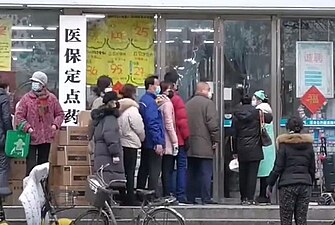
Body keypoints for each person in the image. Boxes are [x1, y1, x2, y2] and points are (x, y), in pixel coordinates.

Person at [267, 116, 315, 225]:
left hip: (287, 185)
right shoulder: (309, 146)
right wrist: (310, 182)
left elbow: (278, 167)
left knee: (286, 219)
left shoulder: (284, 145)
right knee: (302, 219)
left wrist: (270, 183)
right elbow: (312, 168)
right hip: (305, 185)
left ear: (288, 128)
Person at [15, 71, 64, 176]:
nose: (34, 84)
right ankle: (30, 189)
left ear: (43, 84)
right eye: (33, 82)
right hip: (31, 138)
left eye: (36, 82)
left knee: (43, 166)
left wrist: (55, 125)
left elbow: (60, 114)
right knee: (31, 167)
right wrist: (28, 128)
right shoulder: (26, 99)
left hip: (46, 138)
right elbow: (19, 117)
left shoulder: (51, 98)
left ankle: (43, 189)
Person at [232, 94, 272, 205]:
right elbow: (270, 118)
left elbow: (233, 134)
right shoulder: (257, 113)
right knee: (252, 175)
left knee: (242, 174)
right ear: (251, 102)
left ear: (241, 102)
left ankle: (243, 197)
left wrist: (234, 151)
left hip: (241, 148)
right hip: (255, 148)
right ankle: (250, 198)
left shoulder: (236, 114)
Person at [186, 82, 219, 204]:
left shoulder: (188, 104)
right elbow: (213, 124)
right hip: (205, 144)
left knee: (191, 172)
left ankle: (190, 197)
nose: (210, 92)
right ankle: (205, 197)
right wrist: (215, 140)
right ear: (202, 90)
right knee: (205, 172)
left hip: (190, 144)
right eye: (208, 89)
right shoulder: (208, 104)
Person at [164, 70, 190, 203]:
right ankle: (180, 195)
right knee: (181, 167)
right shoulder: (177, 100)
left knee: (167, 169)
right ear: (174, 84)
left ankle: (167, 193)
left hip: (166, 141)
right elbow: (182, 122)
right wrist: (187, 138)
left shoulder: (161, 99)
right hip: (178, 140)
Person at [137, 75, 165, 196]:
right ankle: (152, 196)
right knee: (154, 170)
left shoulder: (144, 100)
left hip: (146, 141)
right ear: (150, 86)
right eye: (156, 84)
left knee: (144, 168)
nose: (158, 87)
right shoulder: (150, 102)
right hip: (152, 142)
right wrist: (158, 141)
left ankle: (140, 193)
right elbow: (152, 122)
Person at [118, 84, 145, 205]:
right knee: (130, 172)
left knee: (122, 172)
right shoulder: (132, 109)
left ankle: (121, 196)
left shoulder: (118, 108)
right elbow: (138, 127)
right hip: (131, 143)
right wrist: (142, 138)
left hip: (121, 142)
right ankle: (130, 198)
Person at [91, 91, 126, 185]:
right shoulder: (110, 117)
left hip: (101, 154)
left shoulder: (100, 117)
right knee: (111, 183)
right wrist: (115, 154)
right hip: (108, 156)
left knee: (103, 182)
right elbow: (111, 136)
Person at [252, 90, 276, 204]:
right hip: (268, 146)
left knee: (258, 171)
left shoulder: (259, 111)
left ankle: (260, 195)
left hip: (261, 145)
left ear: (259, 100)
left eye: (254, 99)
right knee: (266, 172)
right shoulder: (268, 111)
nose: (253, 101)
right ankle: (265, 194)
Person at [157, 81, 178, 197]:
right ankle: (167, 193)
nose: (172, 91)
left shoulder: (158, 102)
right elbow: (169, 124)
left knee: (163, 168)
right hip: (168, 141)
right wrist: (175, 141)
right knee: (167, 169)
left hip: (161, 139)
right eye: (170, 89)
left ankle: (164, 192)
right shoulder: (167, 104)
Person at [0, 78, 13, 196]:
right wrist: (10, 134)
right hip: (1, 138)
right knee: (3, 166)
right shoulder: (3, 97)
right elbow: (6, 118)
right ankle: (2, 196)